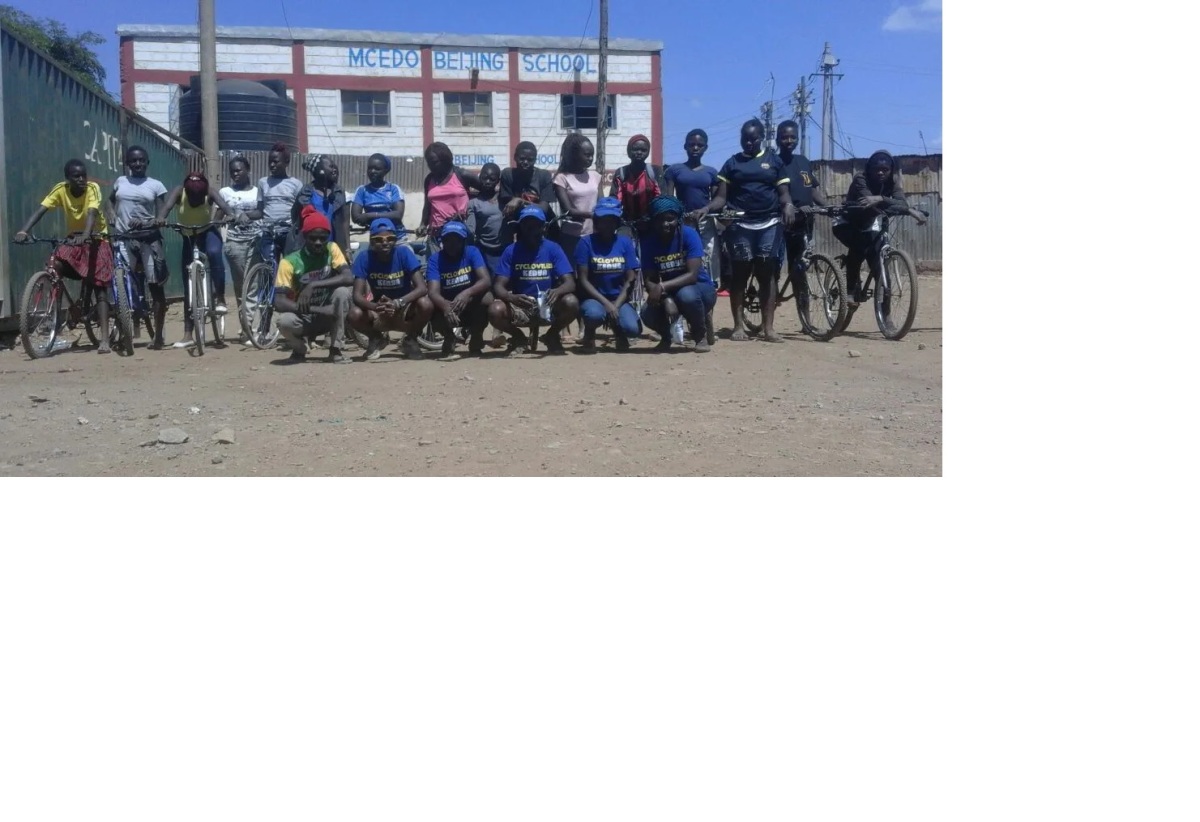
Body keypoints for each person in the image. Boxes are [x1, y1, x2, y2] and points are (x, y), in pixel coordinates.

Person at [706, 118, 795, 342]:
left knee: (767, 274)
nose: (749, 143)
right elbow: (720, 198)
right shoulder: (732, 163)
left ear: (762, 138)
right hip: (739, 225)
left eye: (753, 139)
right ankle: (738, 327)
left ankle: (769, 328)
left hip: (769, 224)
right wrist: (707, 209)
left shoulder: (773, 161)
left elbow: (783, 192)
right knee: (740, 273)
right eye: (745, 139)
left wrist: (789, 205)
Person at [14, 159, 115, 353]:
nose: (81, 179)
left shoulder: (92, 188)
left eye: (83, 175)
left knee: (99, 286)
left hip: (96, 237)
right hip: (74, 239)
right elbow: (41, 210)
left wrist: (86, 236)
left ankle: (104, 340)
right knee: (56, 265)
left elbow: (92, 213)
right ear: (67, 178)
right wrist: (24, 231)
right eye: (76, 176)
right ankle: (57, 314)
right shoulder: (60, 189)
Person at [833, 149, 927, 305]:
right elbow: (869, 204)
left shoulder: (893, 182)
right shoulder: (860, 179)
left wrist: (881, 198)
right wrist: (908, 210)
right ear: (869, 169)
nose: (881, 173)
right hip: (846, 223)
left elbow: (900, 203)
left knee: (880, 269)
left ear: (891, 171)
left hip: (870, 225)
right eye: (877, 169)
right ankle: (849, 291)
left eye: (885, 170)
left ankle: (887, 319)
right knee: (859, 247)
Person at [157, 170, 235, 348]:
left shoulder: (210, 192)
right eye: (191, 197)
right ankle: (187, 334)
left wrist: (230, 215)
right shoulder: (179, 191)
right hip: (187, 236)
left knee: (215, 254)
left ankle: (220, 298)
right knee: (187, 284)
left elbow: (225, 208)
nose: (194, 200)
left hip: (207, 232)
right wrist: (161, 218)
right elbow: (166, 207)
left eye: (198, 198)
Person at [489, 206, 579, 355]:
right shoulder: (511, 250)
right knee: (495, 310)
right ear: (521, 227)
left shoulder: (553, 249)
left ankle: (552, 335)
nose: (531, 229)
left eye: (536, 225)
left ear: (543, 227)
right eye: (527, 224)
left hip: (547, 305)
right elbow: (498, 285)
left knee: (571, 302)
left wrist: (557, 291)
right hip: (521, 304)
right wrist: (511, 297)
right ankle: (518, 337)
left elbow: (570, 282)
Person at [105, 145, 170, 349]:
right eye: (133, 161)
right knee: (121, 285)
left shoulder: (156, 185)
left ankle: (158, 336)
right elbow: (108, 202)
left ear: (147, 162)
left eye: (141, 160)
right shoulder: (120, 182)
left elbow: (162, 214)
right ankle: (125, 330)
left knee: (155, 286)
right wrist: (111, 216)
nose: (138, 163)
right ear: (127, 163)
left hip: (149, 240)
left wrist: (152, 222)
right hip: (124, 238)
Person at [272, 205, 355, 363]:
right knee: (284, 322)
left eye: (323, 238)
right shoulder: (289, 262)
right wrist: (318, 309)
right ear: (304, 237)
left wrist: (313, 285)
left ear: (328, 237)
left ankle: (335, 350)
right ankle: (300, 349)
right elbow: (279, 301)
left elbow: (348, 277)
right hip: (303, 316)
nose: (318, 243)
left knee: (343, 293)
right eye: (313, 238)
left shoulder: (332, 249)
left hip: (330, 316)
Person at [638, 195, 714, 353]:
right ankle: (667, 337)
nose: (665, 224)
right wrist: (665, 299)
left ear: (678, 219)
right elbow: (649, 279)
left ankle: (700, 335)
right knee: (647, 313)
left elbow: (692, 275)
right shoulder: (648, 242)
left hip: (699, 288)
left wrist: (662, 286)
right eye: (659, 220)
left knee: (686, 295)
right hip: (670, 291)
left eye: (670, 219)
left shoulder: (689, 235)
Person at [348, 218, 431, 361]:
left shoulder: (404, 253)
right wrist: (375, 306)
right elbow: (357, 296)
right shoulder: (364, 257)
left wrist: (398, 302)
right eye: (379, 239)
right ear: (372, 241)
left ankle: (410, 339)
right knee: (354, 314)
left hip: (404, 307)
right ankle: (375, 338)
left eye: (390, 238)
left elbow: (422, 287)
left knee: (426, 304)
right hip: (379, 308)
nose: (385, 242)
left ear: (395, 239)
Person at [573, 196, 641, 352]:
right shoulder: (585, 243)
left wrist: (615, 306)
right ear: (597, 221)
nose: (607, 224)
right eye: (603, 220)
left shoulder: (624, 242)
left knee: (633, 329)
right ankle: (589, 334)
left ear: (617, 222)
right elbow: (583, 280)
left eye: (611, 220)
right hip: (594, 298)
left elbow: (631, 278)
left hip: (619, 298)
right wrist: (607, 304)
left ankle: (619, 332)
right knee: (594, 315)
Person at [774, 120, 829, 307]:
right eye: (784, 137)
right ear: (777, 139)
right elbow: (781, 191)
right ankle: (770, 300)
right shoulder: (773, 161)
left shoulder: (803, 161)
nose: (789, 140)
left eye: (792, 137)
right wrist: (788, 206)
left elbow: (812, 189)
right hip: (782, 221)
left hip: (805, 220)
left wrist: (827, 207)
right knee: (774, 265)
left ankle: (804, 315)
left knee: (799, 267)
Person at [662, 128, 721, 291]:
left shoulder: (712, 172)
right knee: (683, 260)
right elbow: (668, 197)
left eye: (700, 145)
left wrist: (705, 209)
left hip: (705, 223)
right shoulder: (674, 170)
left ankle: (709, 297)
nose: (695, 148)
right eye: (692, 145)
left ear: (706, 148)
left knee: (709, 262)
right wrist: (678, 214)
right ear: (685, 146)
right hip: (682, 223)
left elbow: (718, 199)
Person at [425, 220, 492, 358]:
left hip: (470, 303)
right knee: (428, 304)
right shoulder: (435, 259)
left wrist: (467, 293)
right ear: (442, 241)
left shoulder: (472, 252)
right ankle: (449, 337)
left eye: (457, 240)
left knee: (487, 298)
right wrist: (445, 307)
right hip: (447, 305)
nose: (452, 244)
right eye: (448, 240)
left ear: (463, 241)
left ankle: (476, 337)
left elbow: (485, 280)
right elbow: (433, 291)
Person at [218, 155, 261, 323]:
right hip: (234, 244)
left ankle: (250, 327)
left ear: (248, 170)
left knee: (252, 285)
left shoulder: (258, 192)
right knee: (240, 286)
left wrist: (245, 214)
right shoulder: (225, 192)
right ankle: (245, 324)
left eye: (238, 170)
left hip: (255, 241)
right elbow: (218, 217)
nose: (235, 174)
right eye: (232, 171)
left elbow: (261, 212)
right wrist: (224, 219)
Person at [418, 142, 480, 252]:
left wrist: (469, 212)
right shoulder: (429, 179)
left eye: (434, 162)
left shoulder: (462, 175)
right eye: (429, 163)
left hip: (460, 233)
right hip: (436, 235)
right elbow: (427, 205)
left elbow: (487, 191)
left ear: (445, 159)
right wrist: (423, 224)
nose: (431, 166)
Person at [552, 133, 602, 262]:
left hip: (594, 235)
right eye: (587, 155)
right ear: (574, 155)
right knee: (573, 274)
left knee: (592, 274)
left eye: (592, 155)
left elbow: (601, 204)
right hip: (571, 236)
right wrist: (592, 214)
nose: (590, 158)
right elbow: (568, 210)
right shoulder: (561, 178)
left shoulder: (595, 176)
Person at [609, 134, 662, 245]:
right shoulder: (621, 173)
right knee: (622, 245)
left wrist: (649, 218)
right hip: (626, 223)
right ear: (628, 151)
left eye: (643, 150)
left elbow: (661, 199)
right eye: (635, 149)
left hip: (650, 222)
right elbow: (614, 199)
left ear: (648, 152)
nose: (639, 152)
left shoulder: (655, 172)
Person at [499, 141, 555, 243]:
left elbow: (544, 208)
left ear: (535, 160)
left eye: (530, 160)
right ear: (515, 157)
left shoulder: (543, 176)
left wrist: (520, 201)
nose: (525, 162)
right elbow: (509, 208)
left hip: (542, 228)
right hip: (519, 227)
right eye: (522, 158)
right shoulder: (508, 175)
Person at [257, 142, 304, 263]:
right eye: (270, 161)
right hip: (269, 232)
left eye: (276, 162)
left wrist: (297, 231)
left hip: (288, 233)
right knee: (268, 267)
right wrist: (244, 215)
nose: (272, 165)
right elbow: (259, 211)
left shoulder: (296, 184)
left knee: (290, 266)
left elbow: (301, 211)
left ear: (286, 162)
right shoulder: (263, 183)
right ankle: (270, 282)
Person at [293, 154, 350, 252]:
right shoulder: (305, 192)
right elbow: (295, 218)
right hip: (311, 246)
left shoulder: (339, 192)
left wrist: (347, 248)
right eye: (331, 167)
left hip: (334, 246)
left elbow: (344, 222)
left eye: (335, 167)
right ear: (319, 170)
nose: (335, 170)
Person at [465, 162, 506, 274]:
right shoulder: (474, 203)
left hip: (503, 250)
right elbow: (470, 229)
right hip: (483, 250)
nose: (488, 182)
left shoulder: (505, 199)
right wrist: (461, 224)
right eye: (485, 178)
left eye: (492, 179)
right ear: (480, 177)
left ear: (498, 181)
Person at [351, 153, 406, 235]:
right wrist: (387, 215)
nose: (372, 171)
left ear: (385, 171)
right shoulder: (362, 190)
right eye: (370, 168)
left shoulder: (393, 189)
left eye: (377, 169)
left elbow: (398, 215)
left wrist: (369, 216)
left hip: (397, 235)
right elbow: (356, 217)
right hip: (376, 239)